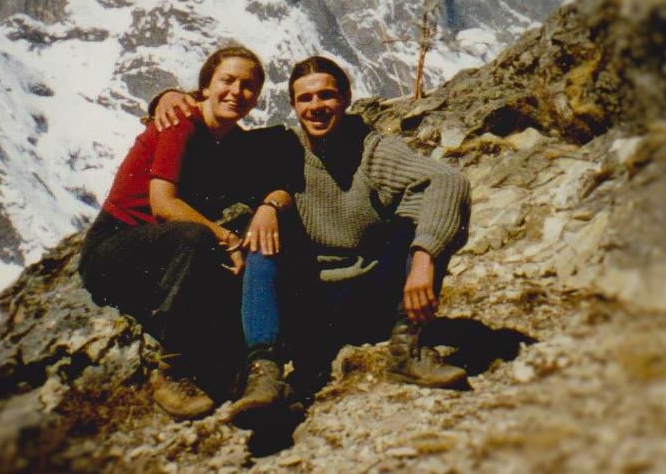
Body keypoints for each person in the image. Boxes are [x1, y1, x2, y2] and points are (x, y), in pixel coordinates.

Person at [155, 55, 471, 394]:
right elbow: (213, 130)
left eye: (326, 96)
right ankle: (264, 374)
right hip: (310, 305)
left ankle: (407, 350)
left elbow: (449, 181)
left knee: (418, 219)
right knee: (263, 239)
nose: (316, 106)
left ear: (346, 98)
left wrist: (424, 257)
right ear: (293, 105)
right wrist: (170, 97)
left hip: (373, 295)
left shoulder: (373, 149)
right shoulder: (279, 147)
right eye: (305, 98)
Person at [79, 46, 300, 421]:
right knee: (197, 239)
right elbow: (163, 203)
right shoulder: (181, 122)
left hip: (160, 254)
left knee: (231, 255)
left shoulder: (230, 140)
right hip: (113, 249)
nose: (236, 92)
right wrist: (225, 239)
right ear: (205, 87)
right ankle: (170, 372)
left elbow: (278, 182)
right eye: (226, 81)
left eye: (248, 86)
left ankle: (233, 375)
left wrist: (268, 207)